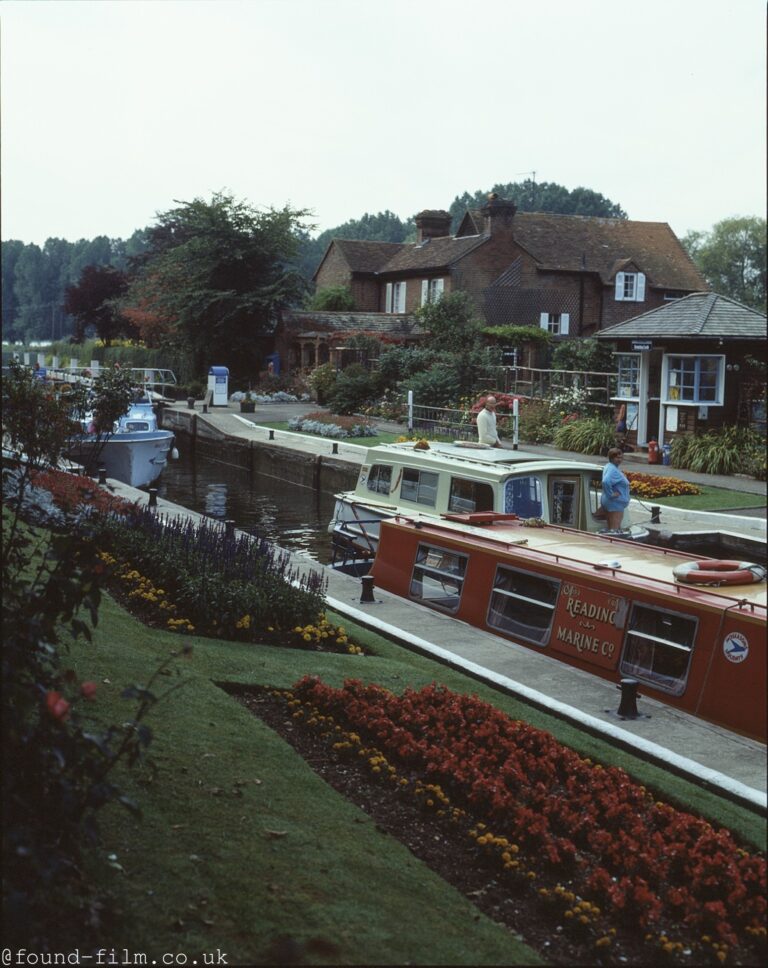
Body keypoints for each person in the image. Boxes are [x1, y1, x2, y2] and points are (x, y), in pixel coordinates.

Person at [601, 447, 630, 531]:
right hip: (615, 504)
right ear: (612, 458)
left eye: (621, 458)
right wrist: (611, 494)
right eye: (617, 458)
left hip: (612, 502)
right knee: (614, 530)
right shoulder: (613, 470)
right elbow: (606, 481)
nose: (620, 460)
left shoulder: (609, 466)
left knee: (611, 529)